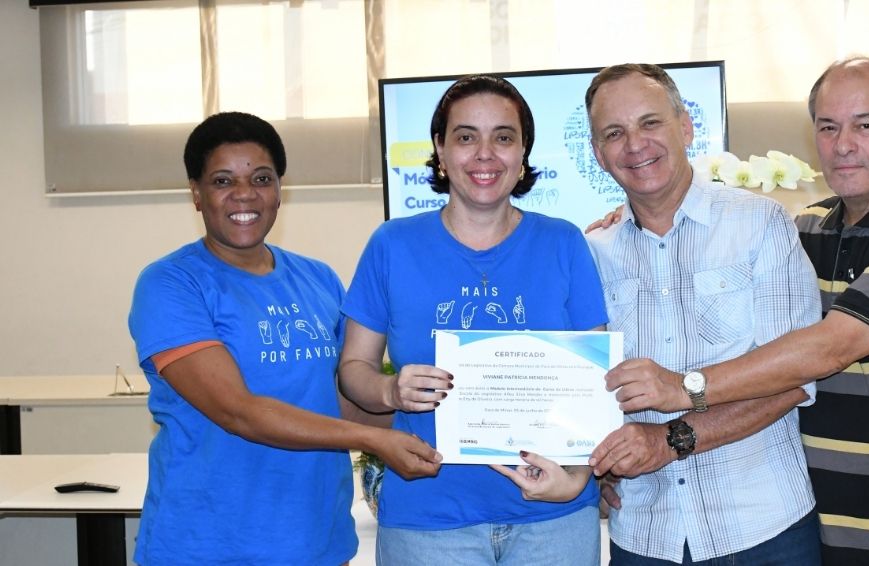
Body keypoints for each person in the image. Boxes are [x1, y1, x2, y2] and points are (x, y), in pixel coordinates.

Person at [603, 57, 869, 565]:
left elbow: (828, 349)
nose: (842, 144)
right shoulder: (808, 229)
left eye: (864, 126)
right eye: (828, 127)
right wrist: (633, 218)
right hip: (848, 529)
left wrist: (683, 387)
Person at [127, 111, 442, 565]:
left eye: (261, 178)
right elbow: (239, 411)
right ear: (196, 193)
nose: (244, 194)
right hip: (207, 546)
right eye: (222, 181)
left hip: (316, 542)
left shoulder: (318, 279)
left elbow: (342, 401)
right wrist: (376, 442)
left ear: (279, 189)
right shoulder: (171, 284)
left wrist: (456, 423)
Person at [336, 75, 608, 566]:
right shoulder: (392, 245)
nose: (485, 154)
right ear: (440, 149)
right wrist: (390, 391)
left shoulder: (564, 242)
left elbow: (593, 385)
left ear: (522, 152)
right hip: (428, 515)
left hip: (553, 516)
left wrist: (577, 479)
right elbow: (354, 369)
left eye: (503, 137)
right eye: (466, 137)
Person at [584, 63, 824, 565]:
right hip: (644, 535)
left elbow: (795, 378)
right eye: (614, 133)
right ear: (598, 154)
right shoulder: (592, 252)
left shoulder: (760, 224)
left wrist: (668, 440)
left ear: (686, 126)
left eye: (650, 123)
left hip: (762, 530)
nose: (635, 144)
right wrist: (594, 465)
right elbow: (584, 390)